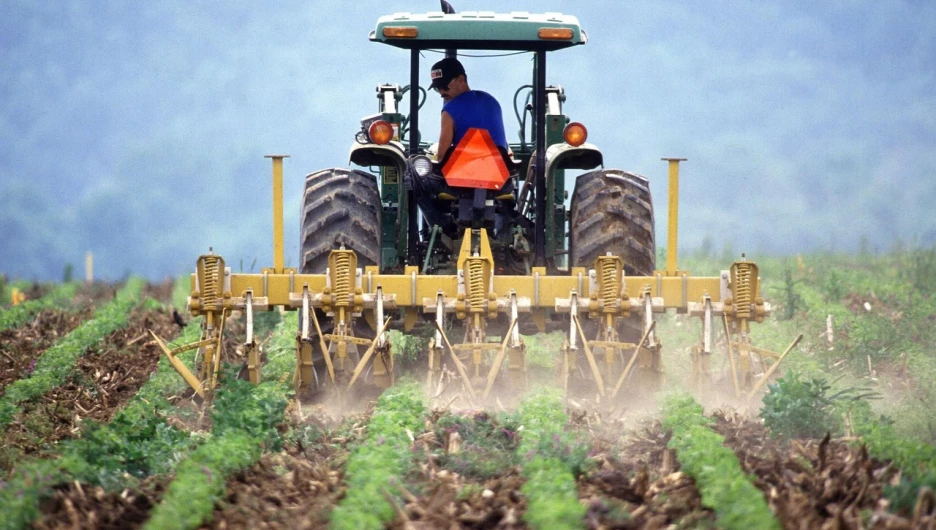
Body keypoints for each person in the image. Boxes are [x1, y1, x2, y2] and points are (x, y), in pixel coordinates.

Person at [429, 57, 508, 160]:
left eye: (445, 86)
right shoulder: (492, 101)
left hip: (466, 173)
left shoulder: (449, 110)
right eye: (437, 88)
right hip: (501, 171)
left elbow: (442, 158)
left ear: (461, 80)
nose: (441, 93)